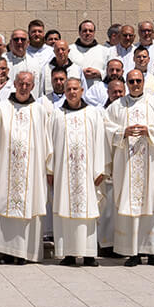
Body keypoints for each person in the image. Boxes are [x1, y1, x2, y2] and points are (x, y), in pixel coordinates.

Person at [0, 69, 50, 264]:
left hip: (31, 171)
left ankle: (23, 254)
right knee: (5, 208)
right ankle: (6, 252)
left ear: (33, 86)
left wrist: (47, 167)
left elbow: (46, 143)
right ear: (15, 84)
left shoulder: (39, 110)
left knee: (28, 207)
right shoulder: (3, 107)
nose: (24, 87)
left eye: (28, 84)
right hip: (5, 168)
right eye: (21, 83)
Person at [108, 71, 154, 266]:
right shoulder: (117, 106)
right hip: (128, 167)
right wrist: (122, 132)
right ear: (126, 83)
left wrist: (151, 131)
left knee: (152, 205)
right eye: (131, 81)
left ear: (144, 82)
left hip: (151, 166)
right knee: (131, 206)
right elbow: (106, 127)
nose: (135, 84)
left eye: (138, 81)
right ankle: (133, 252)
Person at [46, 76, 107, 265]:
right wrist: (50, 170)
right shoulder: (57, 115)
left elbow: (100, 142)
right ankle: (69, 253)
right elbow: (50, 145)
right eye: (68, 89)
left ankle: (88, 254)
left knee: (87, 212)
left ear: (82, 91)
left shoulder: (93, 114)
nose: (72, 92)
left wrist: (100, 170)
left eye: (75, 89)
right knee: (65, 211)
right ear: (64, 92)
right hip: (64, 173)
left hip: (87, 174)